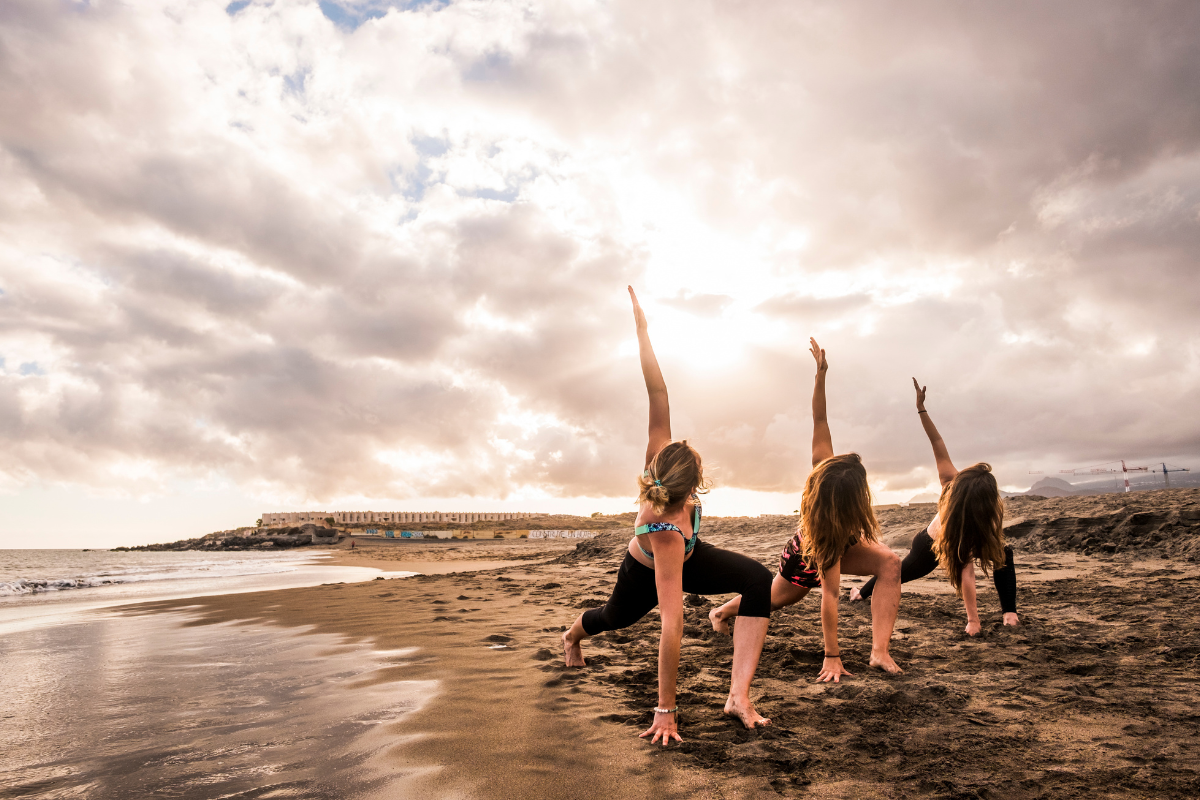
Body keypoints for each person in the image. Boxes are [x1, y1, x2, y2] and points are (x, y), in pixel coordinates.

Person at [562, 287, 774, 746]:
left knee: (758, 579)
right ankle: (571, 636)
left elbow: (657, 390)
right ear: (693, 486)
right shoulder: (665, 530)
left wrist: (643, 333)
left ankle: (739, 695)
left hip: (691, 551)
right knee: (615, 617)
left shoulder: (660, 459)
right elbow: (672, 625)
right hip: (647, 568)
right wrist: (665, 712)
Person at [709, 338, 903, 682]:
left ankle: (879, 651)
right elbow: (829, 597)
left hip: (842, 543)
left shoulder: (823, 468)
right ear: (851, 500)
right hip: (807, 553)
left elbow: (819, 416)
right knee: (778, 598)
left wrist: (821, 375)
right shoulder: (828, 530)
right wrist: (832, 657)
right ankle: (721, 612)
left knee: (889, 562)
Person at [850, 379, 1019, 635]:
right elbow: (967, 574)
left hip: (961, 537)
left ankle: (1010, 612)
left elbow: (937, 442)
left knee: (1003, 554)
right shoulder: (952, 487)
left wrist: (921, 409)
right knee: (899, 573)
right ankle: (860, 593)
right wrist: (973, 621)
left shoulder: (963, 493)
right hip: (928, 545)